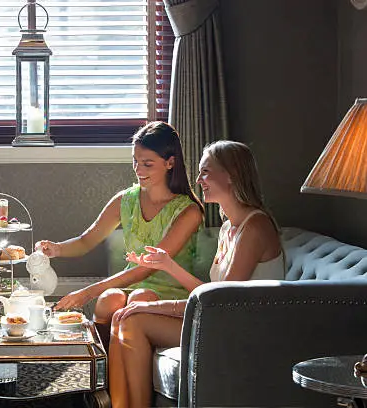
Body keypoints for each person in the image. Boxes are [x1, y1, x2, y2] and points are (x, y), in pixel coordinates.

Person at [110, 140, 285, 408]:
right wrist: (168, 265)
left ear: (231, 174)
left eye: (206, 172)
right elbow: (209, 293)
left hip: (240, 330)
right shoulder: (229, 228)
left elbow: (221, 301)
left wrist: (155, 306)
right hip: (220, 320)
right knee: (125, 318)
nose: (198, 179)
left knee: (133, 321)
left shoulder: (255, 227)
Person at [36, 122, 204, 347]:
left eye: (147, 164)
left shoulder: (188, 211)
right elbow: (87, 240)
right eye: (135, 161)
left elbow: (146, 268)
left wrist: (88, 292)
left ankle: (133, 378)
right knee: (108, 300)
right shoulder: (125, 200)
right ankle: (105, 373)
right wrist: (57, 248)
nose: (138, 169)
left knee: (139, 298)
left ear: (170, 163)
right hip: (131, 284)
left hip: (170, 291)